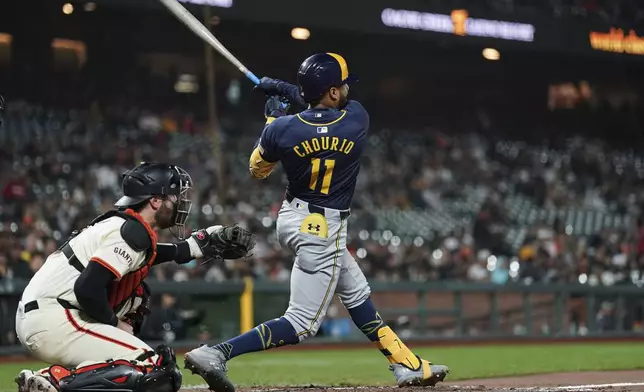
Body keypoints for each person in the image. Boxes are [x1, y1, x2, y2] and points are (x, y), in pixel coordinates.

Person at [185, 53, 449, 391]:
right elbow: (316, 105)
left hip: (293, 216)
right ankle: (217, 353)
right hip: (324, 229)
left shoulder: (282, 129)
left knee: (356, 294)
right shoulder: (357, 119)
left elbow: (257, 169)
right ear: (334, 93)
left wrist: (272, 115)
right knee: (301, 323)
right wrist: (282, 88)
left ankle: (406, 364)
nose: (345, 90)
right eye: (342, 85)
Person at [15, 162, 255, 392]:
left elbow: (156, 253)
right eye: (173, 196)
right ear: (155, 201)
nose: (179, 202)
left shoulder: (124, 227)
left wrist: (197, 245)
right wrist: (114, 323)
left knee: (140, 309)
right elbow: (87, 289)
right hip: (55, 319)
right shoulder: (132, 232)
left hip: (44, 316)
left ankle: (59, 377)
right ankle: (55, 380)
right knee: (157, 372)